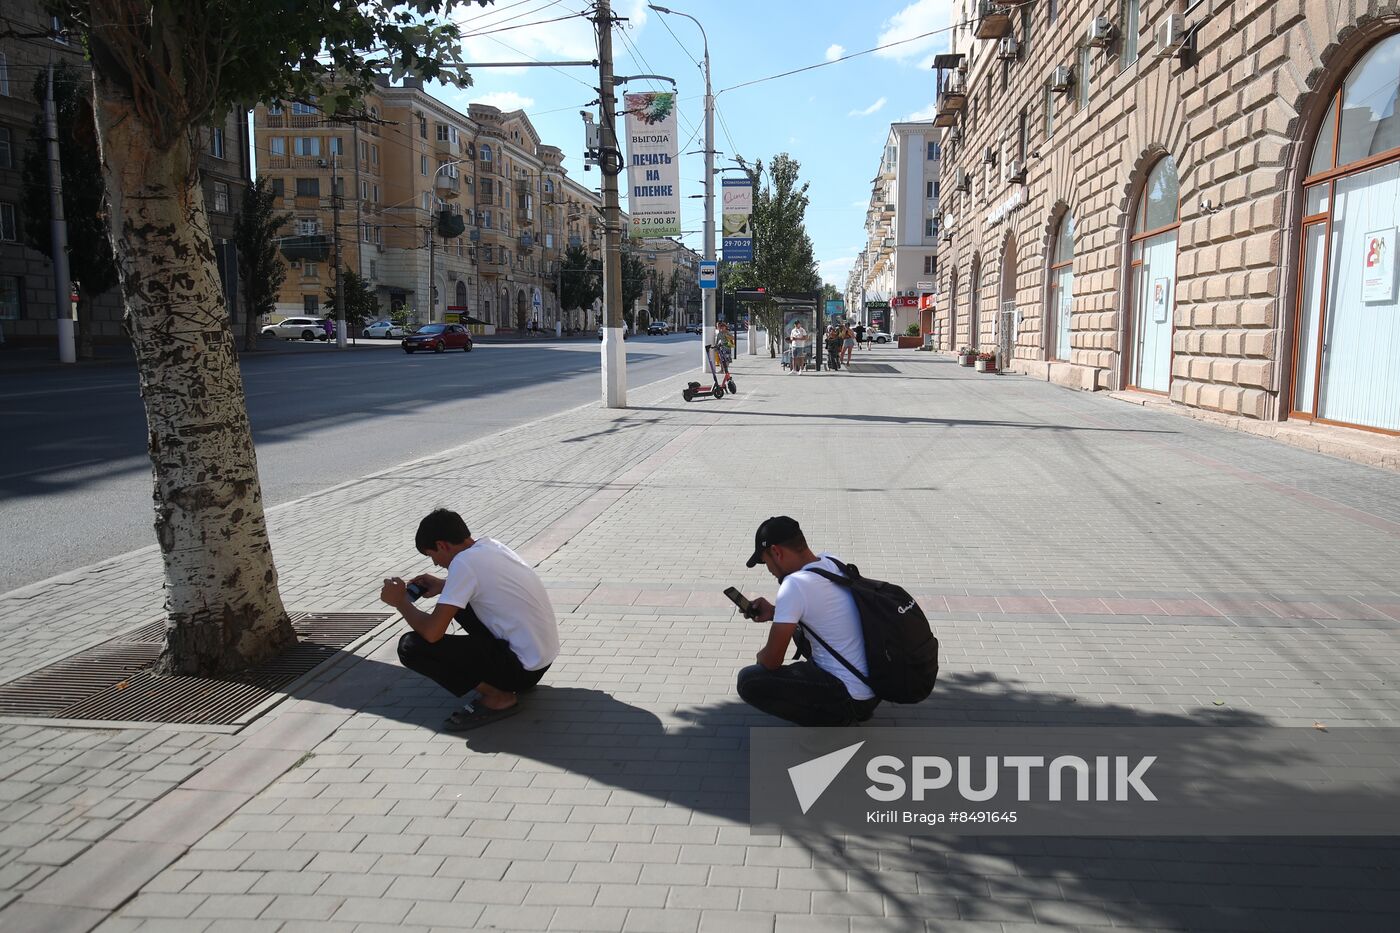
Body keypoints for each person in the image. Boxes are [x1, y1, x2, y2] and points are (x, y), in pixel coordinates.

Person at [379, 509, 560, 732]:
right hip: (540, 660)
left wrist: (400, 602)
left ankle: (498, 696)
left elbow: (432, 633)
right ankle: (501, 681)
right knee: (459, 603)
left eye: (431, 555)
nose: (435, 563)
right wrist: (444, 586)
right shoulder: (490, 546)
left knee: (410, 646)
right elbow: (486, 586)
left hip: (521, 672)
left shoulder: (463, 564)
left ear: (442, 545)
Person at [733, 516, 879, 727]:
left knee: (749, 680)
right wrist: (775, 612)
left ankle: (833, 723)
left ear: (776, 552)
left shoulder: (794, 585)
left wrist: (760, 657)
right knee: (799, 630)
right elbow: (822, 612)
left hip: (849, 698)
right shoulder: (830, 561)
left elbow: (771, 661)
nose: (769, 570)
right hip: (873, 687)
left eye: (765, 562)